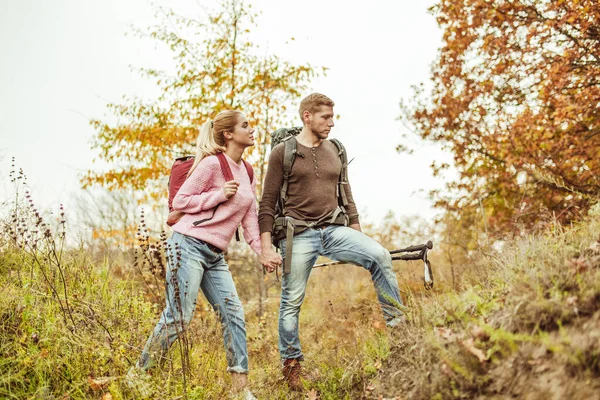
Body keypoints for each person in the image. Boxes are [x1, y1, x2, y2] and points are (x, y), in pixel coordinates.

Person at [127, 110, 281, 399]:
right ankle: (139, 374)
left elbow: (250, 219)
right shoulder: (212, 164)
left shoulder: (247, 171)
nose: (252, 129)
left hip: (215, 256)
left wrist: (264, 253)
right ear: (228, 134)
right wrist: (219, 194)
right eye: (245, 125)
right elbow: (182, 200)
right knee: (180, 316)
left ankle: (240, 390)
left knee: (233, 313)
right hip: (187, 245)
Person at [258, 93, 405, 391]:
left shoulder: (336, 149)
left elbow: (347, 196)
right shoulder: (282, 153)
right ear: (307, 116)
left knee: (380, 256)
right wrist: (265, 247)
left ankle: (400, 332)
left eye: (332, 117)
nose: (331, 123)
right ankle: (291, 366)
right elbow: (267, 203)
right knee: (291, 300)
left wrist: (358, 234)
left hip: (334, 229)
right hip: (296, 235)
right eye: (325, 117)